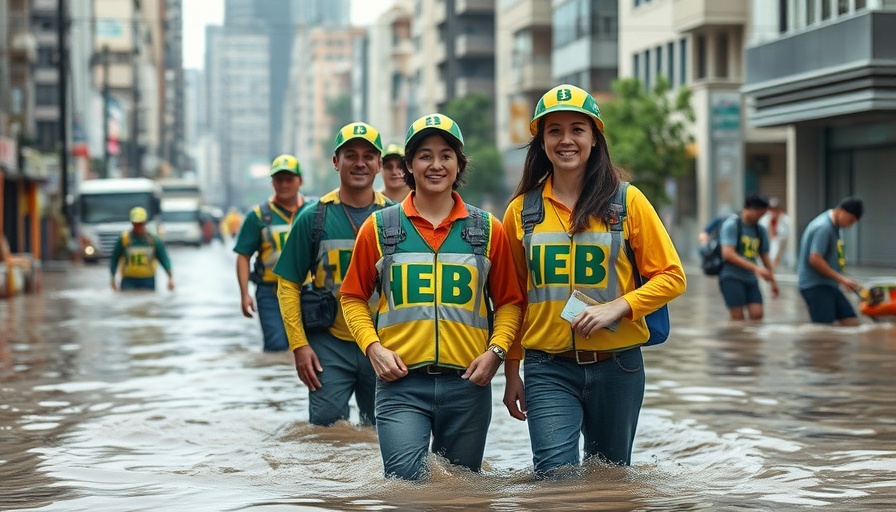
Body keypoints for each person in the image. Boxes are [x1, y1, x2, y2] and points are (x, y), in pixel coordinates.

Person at [501, 84, 686, 478]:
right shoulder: (520, 212)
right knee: (556, 477)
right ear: (541, 141)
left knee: (610, 478)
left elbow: (672, 276)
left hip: (618, 368)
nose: (566, 140)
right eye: (554, 130)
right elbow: (513, 299)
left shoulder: (627, 202)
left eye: (577, 129)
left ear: (594, 138)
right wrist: (512, 371)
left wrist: (618, 306)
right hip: (547, 368)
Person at [340, 113, 525, 480]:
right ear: (409, 165)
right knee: (406, 485)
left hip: (469, 385)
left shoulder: (489, 229)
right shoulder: (379, 228)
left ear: (459, 165)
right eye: (424, 155)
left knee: (462, 490)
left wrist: (497, 352)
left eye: (446, 155)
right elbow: (352, 297)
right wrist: (373, 348)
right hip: (400, 385)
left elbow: (510, 302)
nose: (436, 165)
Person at [274, 122, 392, 426]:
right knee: (326, 434)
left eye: (369, 156)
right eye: (350, 155)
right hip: (328, 344)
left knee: (383, 434)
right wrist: (300, 346)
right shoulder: (313, 218)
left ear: (379, 164)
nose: (360, 163)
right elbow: (288, 286)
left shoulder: (396, 219)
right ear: (336, 162)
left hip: (384, 343)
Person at [233, 154, 308, 352]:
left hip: (307, 291)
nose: (284, 184)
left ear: (300, 180)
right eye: (279, 179)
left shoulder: (313, 211)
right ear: (272, 182)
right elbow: (243, 256)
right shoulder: (257, 216)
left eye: (289, 179)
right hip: (270, 292)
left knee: (310, 346)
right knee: (277, 347)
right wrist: (244, 295)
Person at [797, 197, 864, 326]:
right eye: (850, 221)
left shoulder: (834, 227)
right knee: (824, 329)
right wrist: (841, 279)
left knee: (850, 321)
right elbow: (815, 258)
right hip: (815, 285)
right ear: (842, 211)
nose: (850, 225)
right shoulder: (824, 227)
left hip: (829, 284)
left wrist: (842, 279)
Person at [718, 193, 778, 321]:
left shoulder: (760, 230)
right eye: (759, 214)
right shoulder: (732, 225)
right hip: (731, 277)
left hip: (750, 279)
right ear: (750, 209)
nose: (760, 218)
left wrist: (773, 281)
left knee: (757, 314)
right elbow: (728, 254)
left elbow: (765, 257)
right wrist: (756, 268)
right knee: (738, 318)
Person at [110, 207, 174, 291]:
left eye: (140, 223)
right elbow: (114, 259)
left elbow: (164, 259)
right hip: (128, 280)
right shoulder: (124, 239)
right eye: (135, 224)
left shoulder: (153, 240)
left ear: (144, 223)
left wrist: (170, 278)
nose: (138, 226)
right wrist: (112, 278)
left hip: (148, 280)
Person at [758, 197, 791, 270]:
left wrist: (775, 261)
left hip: (782, 259)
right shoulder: (764, 220)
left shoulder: (786, 221)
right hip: (766, 258)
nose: (773, 212)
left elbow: (783, 241)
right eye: (771, 209)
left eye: (775, 209)